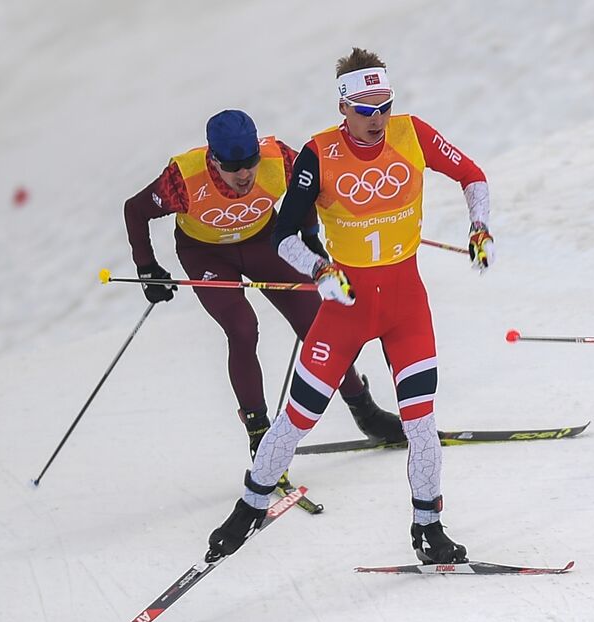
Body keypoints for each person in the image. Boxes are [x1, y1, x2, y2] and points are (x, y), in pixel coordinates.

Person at [206, 48, 494, 565]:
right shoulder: (318, 154)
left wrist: (479, 227)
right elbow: (283, 235)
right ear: (343, 106)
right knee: (297, 419)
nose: (377, 119)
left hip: (407, 308)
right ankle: (249, 507)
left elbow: (472, 175)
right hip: (347, 310)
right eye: (364, 110)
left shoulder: (411, 133)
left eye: (384, 106)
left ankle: (428, 527)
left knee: (421, 423)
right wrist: (320, 270)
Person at [123, 109, 405, 459]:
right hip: (206, 254)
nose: (244, 174)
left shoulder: (278, 159)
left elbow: (306, 186)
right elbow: (135, 210)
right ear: (213, 159)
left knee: (317, 323)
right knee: (242, 329)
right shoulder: (183, 179)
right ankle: (259, 432)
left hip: (263, 243)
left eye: (250, 163)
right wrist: (147, 267)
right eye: (232, 167)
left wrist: (309, 235)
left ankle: (365, 411)